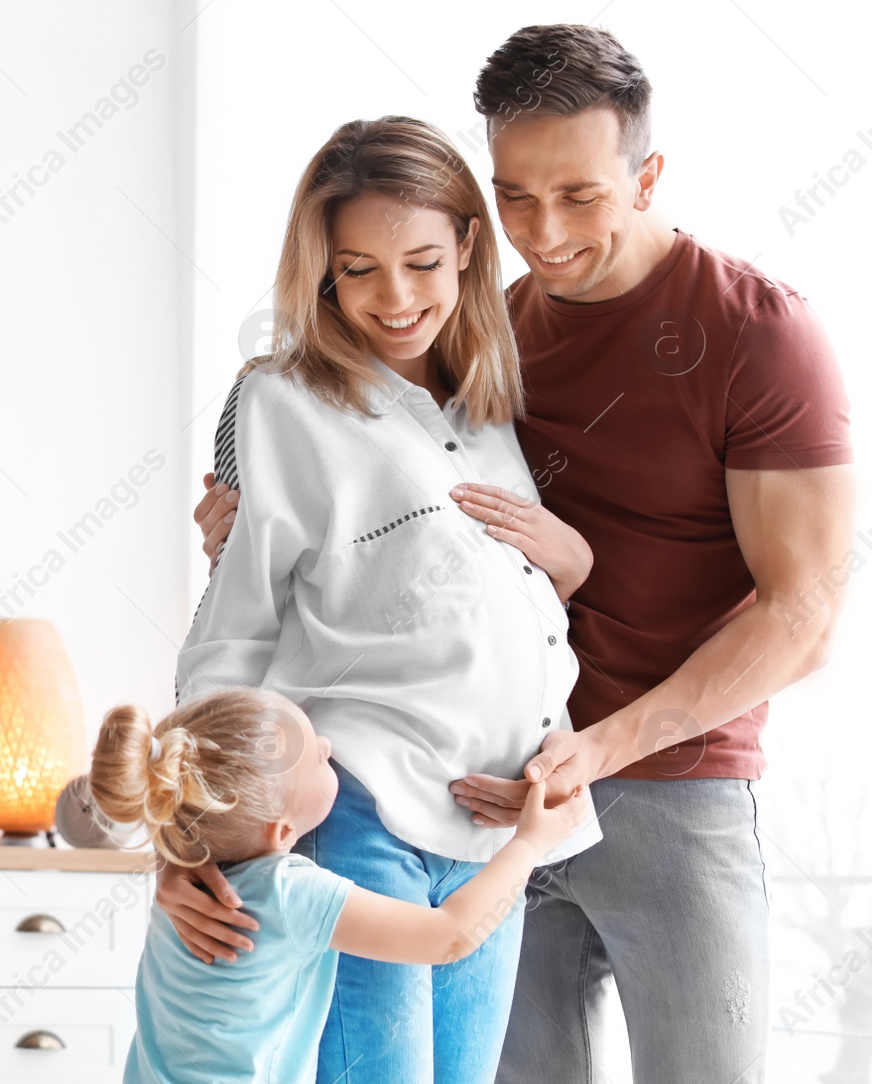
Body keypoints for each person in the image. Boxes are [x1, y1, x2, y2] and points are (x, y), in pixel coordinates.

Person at [186, 25, 855, 1084]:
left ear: (648, 175)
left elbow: (806, 612)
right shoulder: (475, 338)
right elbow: (348, 520)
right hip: (460, 792)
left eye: (580, 196)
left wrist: (601, 749)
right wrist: (248, 507)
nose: (543, 233)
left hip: (669, 784)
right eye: (516, 196)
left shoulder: (755, 333)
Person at [161, 114, 601, 1083]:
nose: (394, 297)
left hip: (492, 829)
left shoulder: (490, 407)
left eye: (421, 262)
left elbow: (490, 597)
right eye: (356, 268)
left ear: (467, 249)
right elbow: (231, 632)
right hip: (361, 809)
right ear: (320, 272)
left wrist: (569, 561)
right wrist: (187, 834)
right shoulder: (284, 402)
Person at [89, 688, 589, 1084]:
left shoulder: (182, 889)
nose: (329, 746)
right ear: (282, 831)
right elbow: (450, 936)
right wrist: (528, 842)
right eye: (318, 761)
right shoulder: (290, 892)